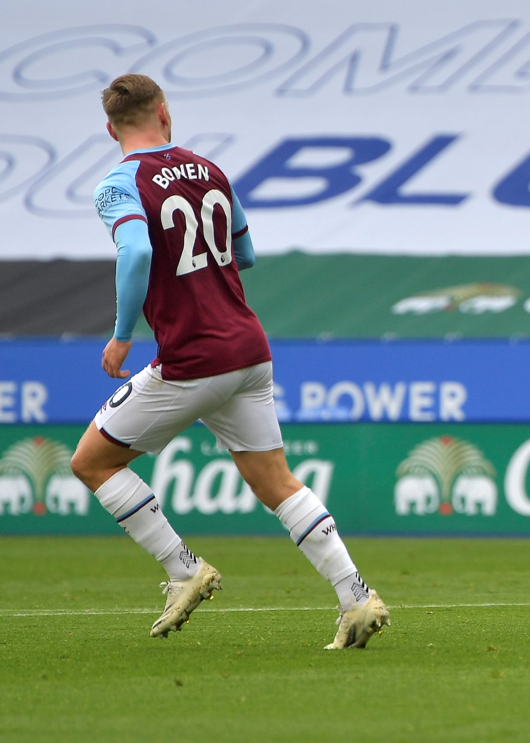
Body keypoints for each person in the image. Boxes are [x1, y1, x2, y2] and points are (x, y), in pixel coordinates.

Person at [70, 73, 389, 648]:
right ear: (164, 112)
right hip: (246, 347)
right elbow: (243, 251)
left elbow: (138, 248)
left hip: (192, 357)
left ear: (110, 128)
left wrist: (123, 334)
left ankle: (184, 569)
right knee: (276, 481)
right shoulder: (210, 170)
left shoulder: (120, 182)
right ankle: (356, 596)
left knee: (92, 462)